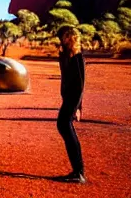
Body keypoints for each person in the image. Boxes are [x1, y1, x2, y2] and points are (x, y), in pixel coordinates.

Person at [55, 26, 87, 184]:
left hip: (73, 97)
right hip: (68, 97)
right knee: (64, 126)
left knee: (63, 125)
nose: (61, 40)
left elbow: (81, 84)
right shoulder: (67, 54)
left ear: (70, 37)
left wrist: (78, 106)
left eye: (63, 36)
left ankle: (79, 173)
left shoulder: (77, 56)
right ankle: (77, 171)